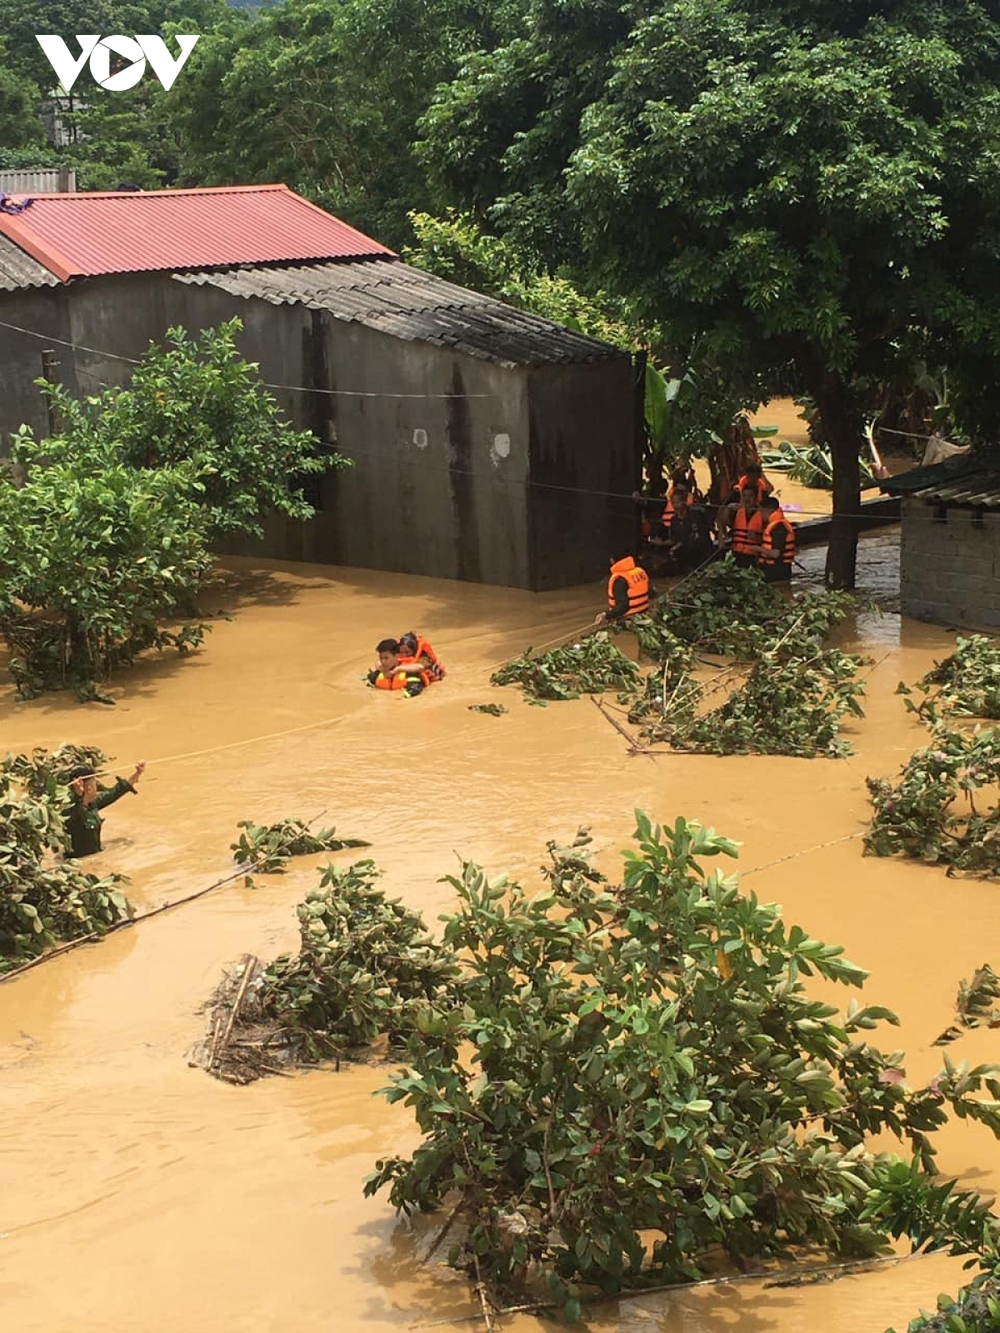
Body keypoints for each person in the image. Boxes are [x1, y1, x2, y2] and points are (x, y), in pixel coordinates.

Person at [65, 761, 146, 858]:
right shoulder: (69, 810)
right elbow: (75, 812)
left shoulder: (92, 804)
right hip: (78, 862)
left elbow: (115, 792)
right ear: (89, 788)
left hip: (94, 857)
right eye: (95, 784)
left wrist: (137, 773)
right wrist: (78, 796)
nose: (98, 786)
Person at [653, 482, 716, 573]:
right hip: (685, 555)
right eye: (673, 503)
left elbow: (707, 529)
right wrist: (661, 543)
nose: (675, 506)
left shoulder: (697, 513)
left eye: (676, 502)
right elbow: (674, 540)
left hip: (701, 551)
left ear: (684, 502)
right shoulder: (674, 520)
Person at [593, 552, 650, 626]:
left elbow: (623, 606)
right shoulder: (639, 572)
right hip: (645, 618)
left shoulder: (619, 580)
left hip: (628, 622)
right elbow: (649, 593)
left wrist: (605, 615)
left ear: (612, 561)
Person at [723, 484, 766, 568]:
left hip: (753, 556)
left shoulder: (762, 515)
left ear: (756, 498)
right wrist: (727, 509)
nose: (747, 499)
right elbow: (724, 522)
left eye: (750, 496)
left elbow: (768, 538)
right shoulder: (737, 512)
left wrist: (757, 537)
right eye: (745, 496)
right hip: (736, 554)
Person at [756, 495, 796, 582]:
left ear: (766, 510)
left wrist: (758, 549)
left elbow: (776, 553)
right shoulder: (774, 525)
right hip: (772, 569)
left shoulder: (779, 527)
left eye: (761, 511)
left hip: (777, 572)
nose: (760, 515)